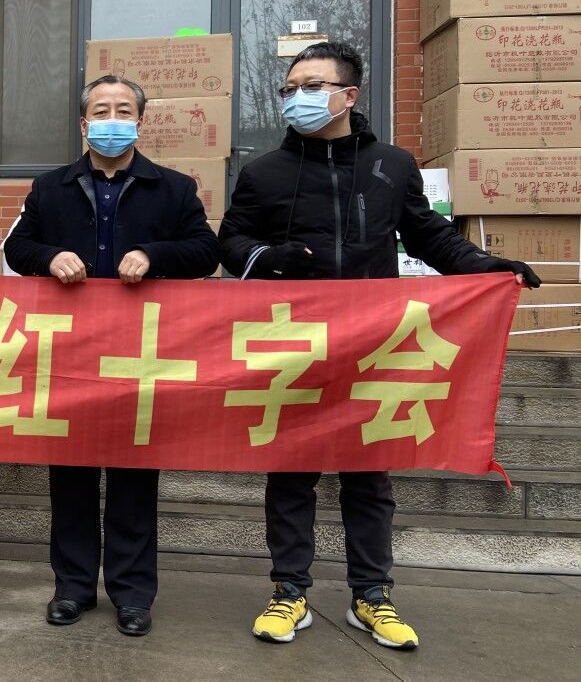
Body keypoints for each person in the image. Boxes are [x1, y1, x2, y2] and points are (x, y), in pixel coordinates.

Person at [219, 42, 540, 650]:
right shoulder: (264, 173)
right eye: (289, 88)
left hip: (374, 346)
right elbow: (231, 244)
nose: (296, 97)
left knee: (368, 478)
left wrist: (487, 268)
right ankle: (289, 592)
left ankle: (372, 595)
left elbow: (428, 236)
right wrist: (270, 258)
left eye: (312, 86)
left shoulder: (391, 165)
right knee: (291, 475)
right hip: (295, 347)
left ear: (348, 94)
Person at [4, 75, 219, 637]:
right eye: (101, 111)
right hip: (70, 357)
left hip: (140, 357)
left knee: (133, 480)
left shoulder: (173, 188)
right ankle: (73, 588)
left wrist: (153, 254)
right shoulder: (50, 187)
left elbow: (205, 251)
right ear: (83, 124)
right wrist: (50, 257)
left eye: (124, 110)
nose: (112, 120)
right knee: (70, 478)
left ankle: (132, 594)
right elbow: (17, 247)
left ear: (140, 122)